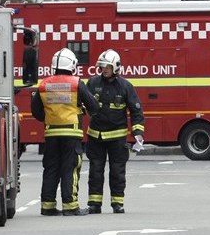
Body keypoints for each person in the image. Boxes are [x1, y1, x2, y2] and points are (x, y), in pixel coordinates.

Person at [31, 48, 100, 216]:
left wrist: (50, 117)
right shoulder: (77, 83)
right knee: (70, 169)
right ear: (73, 64)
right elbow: (94, 107)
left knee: (51, 169)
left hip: (51, 134)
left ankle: (47, 206)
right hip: (71, 134)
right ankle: (70, 206)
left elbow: (36, 112)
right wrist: (82, 110)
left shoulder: (44, 84)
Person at [85, 49, 145, 214]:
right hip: (95, 136)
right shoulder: (92, 83)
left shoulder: (125, 86)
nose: (104, 69)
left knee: (117, 172)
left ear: (116, 67)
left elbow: (136, 111)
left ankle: (117, 203)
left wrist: (138, 132)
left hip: (117, 138)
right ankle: (94, 204)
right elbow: (82, 105)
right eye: (102, 66)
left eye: (107, 66)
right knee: (95, 171)